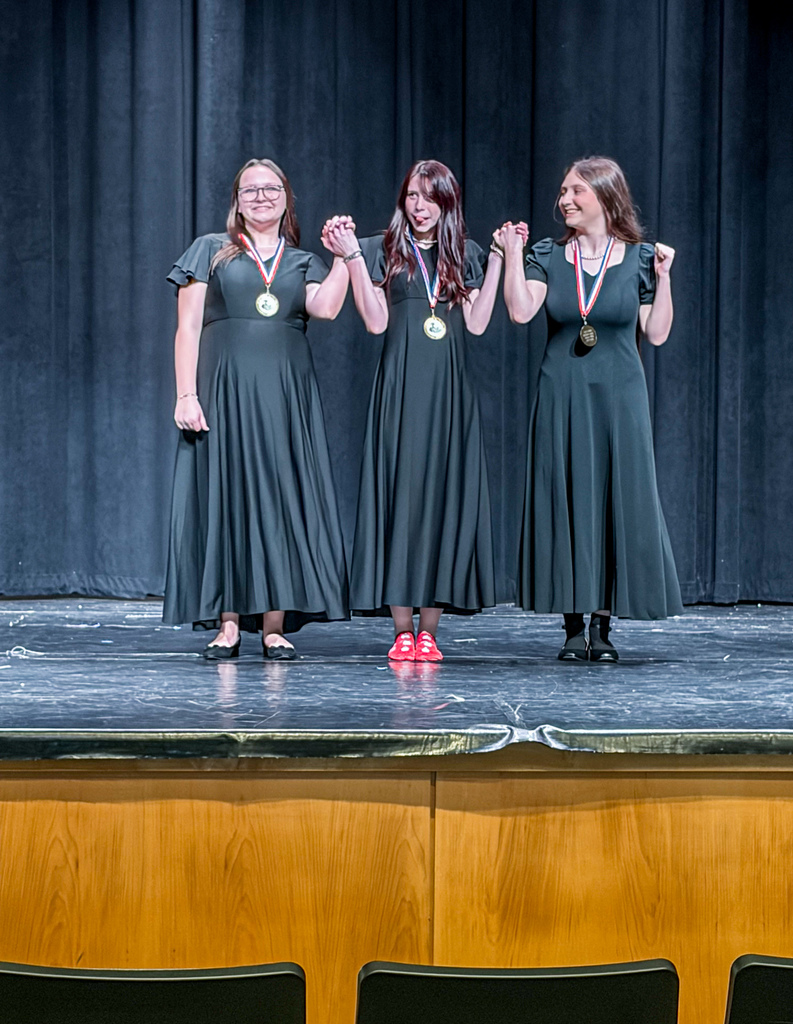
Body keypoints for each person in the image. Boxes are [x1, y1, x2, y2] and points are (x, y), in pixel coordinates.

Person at [163, 158, 349, 659]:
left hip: (285, 397)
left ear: (287, 197)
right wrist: (186, 393)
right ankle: (226, 624)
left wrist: (348, 259)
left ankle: (273, 626)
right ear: (236, 199)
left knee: (281, 502)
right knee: (226, 498)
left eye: (271, 189)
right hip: (224, 392)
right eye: (250, 190)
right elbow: (188, 327)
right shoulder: (211, 251)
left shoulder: (302, 260)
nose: (261, 197)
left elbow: (326, 308)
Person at [501, 156, 683, 662]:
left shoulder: (642, 258)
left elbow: (658, 332)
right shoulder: (548, 254)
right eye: (562, 191)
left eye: (575, 191)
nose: (564, 200)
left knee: (610, 498)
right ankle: (570, 622)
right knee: (566, 496)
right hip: (563, 391)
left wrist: (665, 277)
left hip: (619, 397)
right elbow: (520, 311)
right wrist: (514, 255)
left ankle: (601, 627)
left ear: (605, 195)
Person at [322, 160, 503, 662]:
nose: (420, 207)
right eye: (412, 197)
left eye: (430, 197)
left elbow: (481, 323)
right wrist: (355, 260)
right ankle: (402, 629)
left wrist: (500, 262)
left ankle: (429, 630)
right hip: (401, 389)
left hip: (449, 393)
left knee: (442, 500)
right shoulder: (386, 250)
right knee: (400, 497)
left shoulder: (464, 254)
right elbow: (377, 323)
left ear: (447, 203)